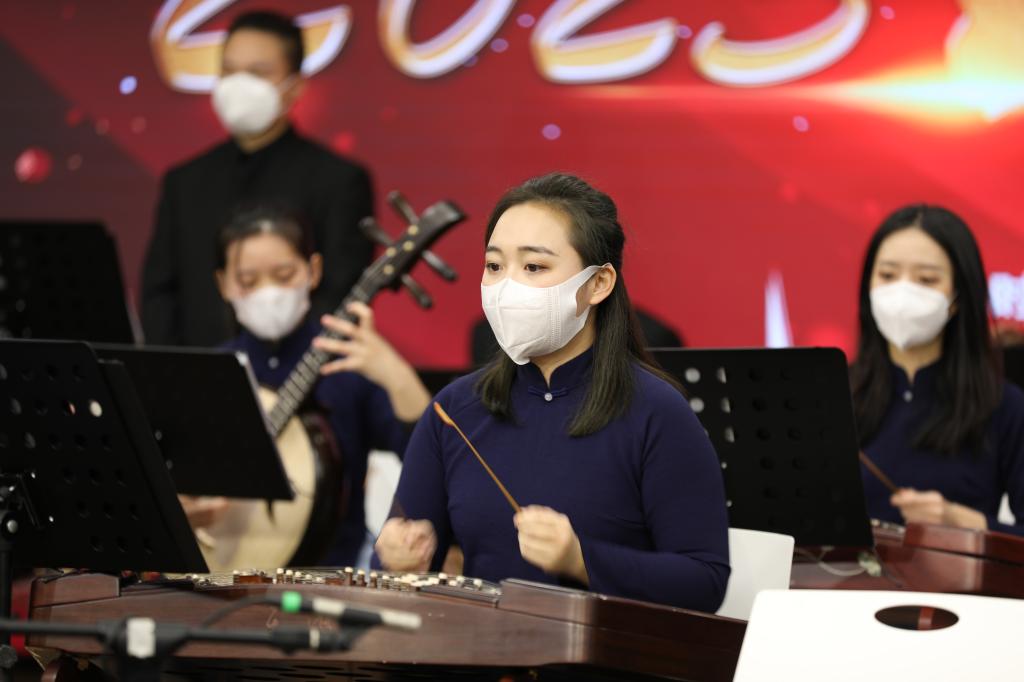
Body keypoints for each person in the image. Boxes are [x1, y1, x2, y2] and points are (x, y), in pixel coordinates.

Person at [374, 173, 730, 611]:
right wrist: (396, 558)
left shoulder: (657, 412)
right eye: (494, 267)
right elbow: (393, 555)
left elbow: (704, 582)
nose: (507, 287)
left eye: (534, 267)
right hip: (478, 645)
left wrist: (581, 560)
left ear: (598, 283)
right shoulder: (455, 409)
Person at [205, 205, 430, 565]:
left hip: (336, 571)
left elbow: (426, 457)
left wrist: (395, 375)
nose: (268, 292)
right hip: (223, 568)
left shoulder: (351, 360)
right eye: (248, 281)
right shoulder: (212, 372)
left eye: (284, 275)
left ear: (314, 270)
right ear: (223, 283)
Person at [142, 10, 373, 347]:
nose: (239, 84)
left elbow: (341, 293)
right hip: (196, 369)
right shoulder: (184, 181)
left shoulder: (339, 181)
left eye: (258, 72)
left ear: (295, 87)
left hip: (301, 372)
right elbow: (159, 296)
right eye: (229, 71)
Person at [850, 204, 1024, 535]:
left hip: (958, 571)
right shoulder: (832, 394)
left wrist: (962, 522)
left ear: (959, 295)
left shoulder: (1005, 407)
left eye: (927, 279)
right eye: (887, 275)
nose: (902, 292)